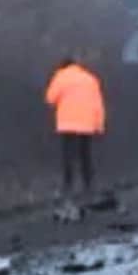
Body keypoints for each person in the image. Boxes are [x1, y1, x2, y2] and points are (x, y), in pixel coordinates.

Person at [44, 57, 106, 193]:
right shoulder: (90, 79)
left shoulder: (61, 77)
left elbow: (50, 98)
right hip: (87, 123)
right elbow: (98, 104)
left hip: (68, 123)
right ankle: (89, 184)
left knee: (68, 155)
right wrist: (99, 125)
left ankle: (68, 185)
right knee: (86, 154)